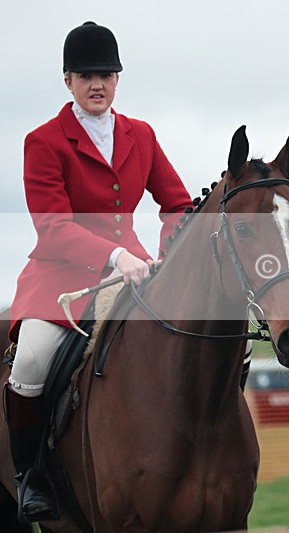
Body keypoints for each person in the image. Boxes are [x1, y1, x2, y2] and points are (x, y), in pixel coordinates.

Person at [5, 21, 192, 522]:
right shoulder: (43, 141)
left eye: (107, 74)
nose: (98, 84)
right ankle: (31, 477)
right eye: (87, 75)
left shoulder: (141, 134)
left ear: (117, 79)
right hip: (60, 280)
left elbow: (177, 205)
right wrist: (115, 258)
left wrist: (163, 257)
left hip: (134, 272)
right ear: (68, 81)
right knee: (28, 365)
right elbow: (52, 227)